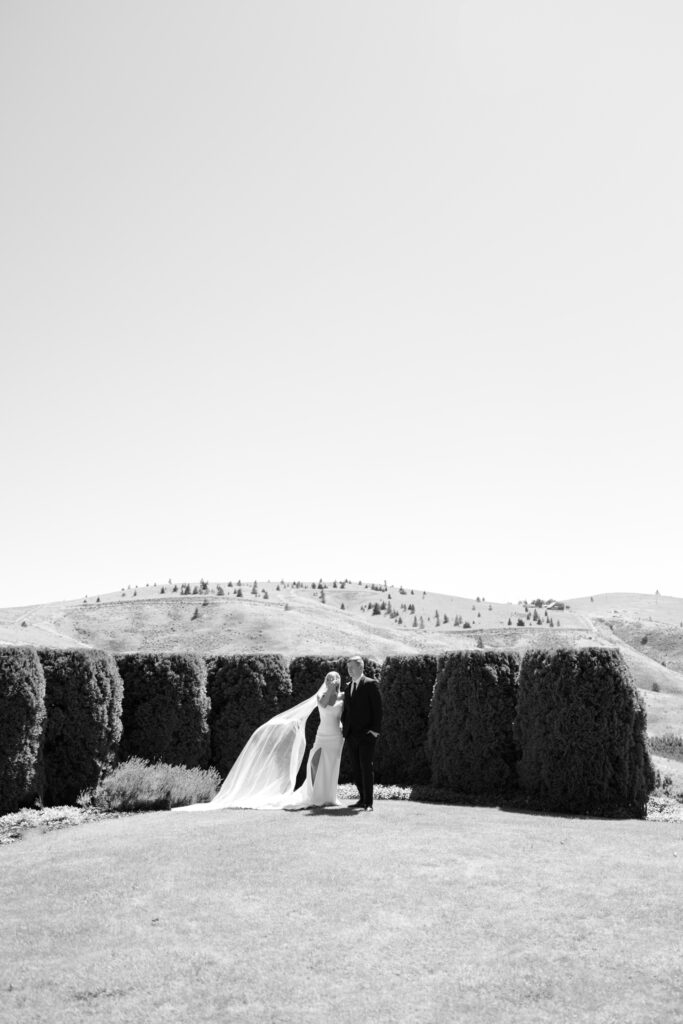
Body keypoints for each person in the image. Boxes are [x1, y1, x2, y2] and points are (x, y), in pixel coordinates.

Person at [175, 671, 345, 811]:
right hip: (322, 735)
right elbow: (324, 705)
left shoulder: (343, 697)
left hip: (336, 735)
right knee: (314, 763)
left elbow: (344, 706)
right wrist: (330, 688)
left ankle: (329, 797)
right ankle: (316, 795)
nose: (330, 680)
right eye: (328, 678)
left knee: (332, 765)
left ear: (338, 681)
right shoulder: (321, 695)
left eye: (333, 678)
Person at [341, 656, 382, 811]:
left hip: (367, 735)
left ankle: (369, 803)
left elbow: (377, 710)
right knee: (356, 768)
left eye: (351, 667)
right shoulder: (348, 686)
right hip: (351, 735)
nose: (349, 670)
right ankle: (362, 799)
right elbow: (347, 711)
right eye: (348, 667)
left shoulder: (370, 684)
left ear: (360, 667)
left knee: (366, 767)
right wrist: (345, 728)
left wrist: (374, 731)